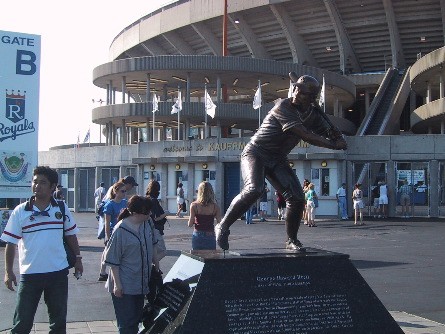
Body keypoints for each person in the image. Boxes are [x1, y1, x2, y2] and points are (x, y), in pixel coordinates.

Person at [214, 73, 347, 252]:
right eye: (296, 89)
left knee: (297, 198)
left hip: (277, 158)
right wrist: (333, 145)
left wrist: (336, 134)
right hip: (256, 152)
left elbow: (325, 130)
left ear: (311, 98)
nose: (295, 93)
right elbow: (305, 135)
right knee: (254, 189)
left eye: (301, 92)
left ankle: (291, 240)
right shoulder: (283, 106)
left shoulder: (313, 115)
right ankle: (222, 226)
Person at [1, 166, 83, 333]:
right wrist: (8, 271)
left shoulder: (61, 208)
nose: (36, 185)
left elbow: (71, 235)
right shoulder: (20, 211)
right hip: (30, 275)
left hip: (58, 273)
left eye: (42, 183)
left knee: (58, 323)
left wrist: (78, 259)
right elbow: (10, 243)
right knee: (21, 324)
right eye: (34, 181)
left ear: (53, 187)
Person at [103, 195, 160, 334]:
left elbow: (153, 245)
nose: (150, 214)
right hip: (124, 284)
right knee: (126, 324)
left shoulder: (147, 223)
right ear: (135, 213)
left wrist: (157, 267)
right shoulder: (120, 230)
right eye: (147, 212)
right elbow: (112, 260)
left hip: (141, 283)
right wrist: (117, 285)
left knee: (136, 320)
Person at [98, 181, 128, 281]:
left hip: (123, 231)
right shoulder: (109, 205)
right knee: (109, 253)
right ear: (115, 192)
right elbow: (107, 222)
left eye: (125, 191)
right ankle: (104, 272)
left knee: (120, 253)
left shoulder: (125, 203)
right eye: (122, 191)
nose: (124, 193)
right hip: (113, 232)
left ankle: (110, 273)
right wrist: (107, 236)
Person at [187, 181, 222, 250]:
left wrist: (194, 221)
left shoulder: (194, 205)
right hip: (210, 234)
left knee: (197, 257)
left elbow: (190, 224)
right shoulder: (215, 207)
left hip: (198, 234)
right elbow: (219, 224)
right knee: (211, 257)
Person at [146, 179, 168, 261]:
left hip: (148, 229)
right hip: (156, 229)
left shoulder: (147, 199)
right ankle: (150, 265)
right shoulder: (154, 201)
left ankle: (154, 267)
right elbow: (156, 218)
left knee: (153, 251)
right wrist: (165, 214)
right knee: (163, 251)